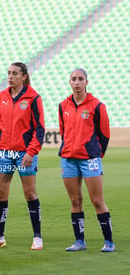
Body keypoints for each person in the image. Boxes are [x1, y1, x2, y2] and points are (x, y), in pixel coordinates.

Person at [0, 62, 45, 250]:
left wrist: (31, 152)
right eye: (9, 73)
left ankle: (37, 237)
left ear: (24, 76)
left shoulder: (33, 98)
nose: (10, 77)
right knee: (1, 194)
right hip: (4, 153)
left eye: (15, 73)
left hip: (24, 153)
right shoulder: (1, 97)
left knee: (29, 193)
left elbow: (39, 129)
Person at [59, 68, 115, 252]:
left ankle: (108, 242)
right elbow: (63, 131)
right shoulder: (63, 106)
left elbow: (104, 134)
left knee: (97, 201)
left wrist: (97, 154)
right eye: (73, 79)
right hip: (68, 159)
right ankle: (79, 241)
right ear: (69, 82)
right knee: (75, 201)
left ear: (86, 82)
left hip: (89, 159)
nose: (76, 82)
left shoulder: (97, 106)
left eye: (80, 79)